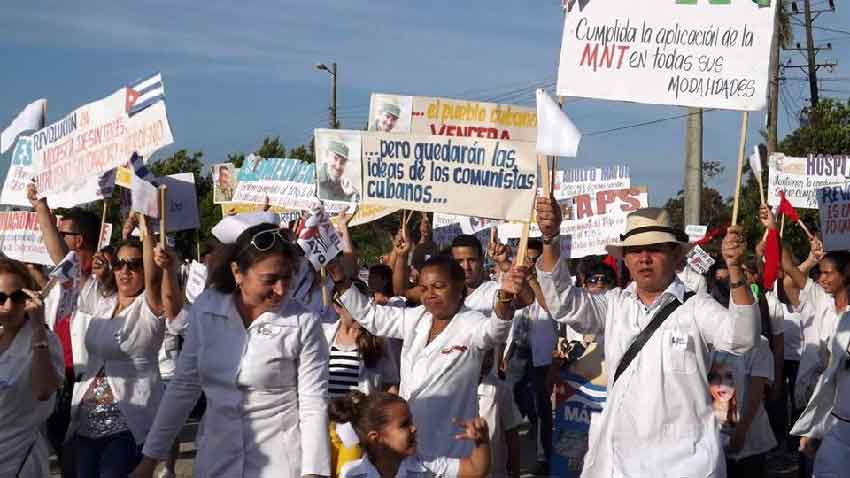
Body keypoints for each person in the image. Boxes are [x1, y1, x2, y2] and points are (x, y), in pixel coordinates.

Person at [534, 198, 759, 478]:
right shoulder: (613, 305)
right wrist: (550, 239)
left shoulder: (697, 307)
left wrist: (736, 269)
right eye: (635, 250)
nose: (644, 258)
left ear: (676, 255)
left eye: (654, 249)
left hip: (687, 464)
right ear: (625, 259)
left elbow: (743, 337)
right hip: (618, 462)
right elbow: (563, 304)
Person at [133, 216, 331, 478]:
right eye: (270, 279)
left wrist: (314, 473)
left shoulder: (304, 322)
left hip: (281, 465)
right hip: (216, 461)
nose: (281, 289)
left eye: (287, 277)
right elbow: (183, 388)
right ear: (238, 273)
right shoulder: (207, 308)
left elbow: (313, 402)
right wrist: (149, 461)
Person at [328, 254, 529, 460]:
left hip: (452, 450)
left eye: (439, 286)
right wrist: (339, 278)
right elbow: (371, 316)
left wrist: (504, 296)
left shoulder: (471, 322)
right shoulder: (416, 318)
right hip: (410, 446)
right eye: (424, 289)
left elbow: (494, 331)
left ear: (459, 287)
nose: (430, 295)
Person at [66, 213, 175, 478]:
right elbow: (63, 259)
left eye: (134, 264)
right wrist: (40, 206)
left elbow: (154, 279)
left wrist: (145, 228)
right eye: (119, 264)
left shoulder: (150, 307)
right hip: (85, 426)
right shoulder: (100, 301)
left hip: (128, 428)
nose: (125, 271)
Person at [29, 182, 100, 477]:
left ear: (79, 240)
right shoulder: (58, 281)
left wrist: (40, 208)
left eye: (63, 233)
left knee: (79, 464)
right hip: (59, 382)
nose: (57, 236)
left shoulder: (97, 279)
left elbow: (60, 258)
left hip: (87, 385)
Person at [0, 258, 64, 477]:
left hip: (19, 461)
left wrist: (38, 326)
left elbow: (43, 391)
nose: (8, 306)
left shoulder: (45, 340)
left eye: (17, 297)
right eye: (0, 298)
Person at [333, 391, 491, 478]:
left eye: (411, 422)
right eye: (404, 425)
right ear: (376, 438)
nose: (414, 428)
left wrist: (481, 441)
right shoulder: (352, 474)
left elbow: (476, 470)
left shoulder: (426, 465)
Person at [709, 337, 777, 478]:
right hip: (714, 441)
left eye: (728, 377)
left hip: (750, 443)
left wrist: (741, 432)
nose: (722, 383)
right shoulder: (708, 341)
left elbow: (756, 392)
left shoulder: (759, 343)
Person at [478, 348, 523, 478]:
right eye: (482, 355)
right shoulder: (456, 389)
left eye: (490, 355)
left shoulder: (501, 390)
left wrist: (516, 473)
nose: (488, 361)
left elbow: (512, 436)